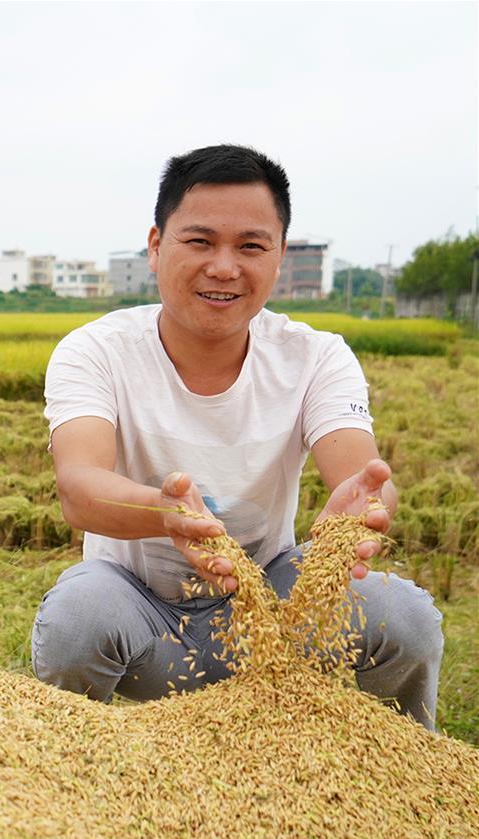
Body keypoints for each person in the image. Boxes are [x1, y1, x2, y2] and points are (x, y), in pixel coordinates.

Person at [32, 144, 443, 730]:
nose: (224, 267)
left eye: (250, 246)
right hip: (139, 610)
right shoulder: (95, 351)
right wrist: (167, 515)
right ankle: (70, 773)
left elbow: (363, 477)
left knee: (404, 617)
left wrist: (362, 510)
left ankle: (410, 773)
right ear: (156, 246)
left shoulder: (315, 356)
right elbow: (79, 488)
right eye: (199, 241)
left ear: (278, 259)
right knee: (76, 618)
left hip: (276, 612)